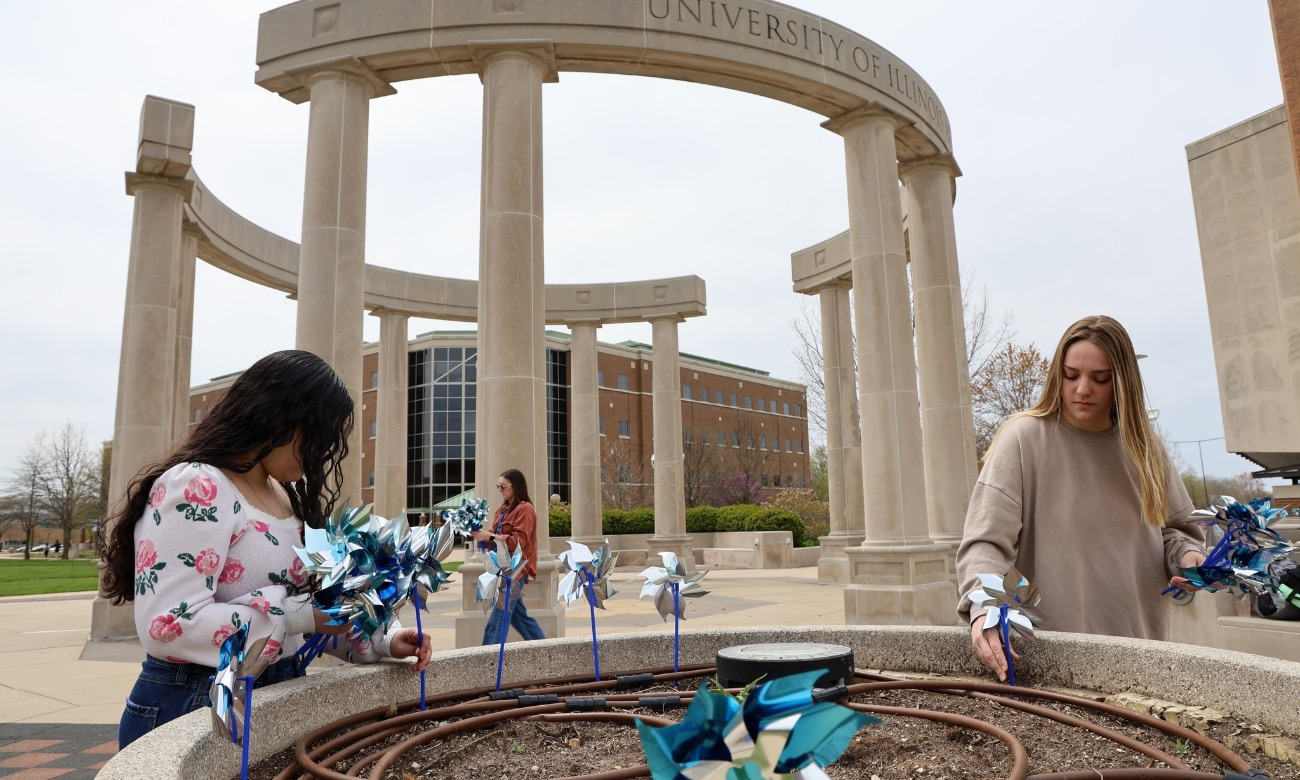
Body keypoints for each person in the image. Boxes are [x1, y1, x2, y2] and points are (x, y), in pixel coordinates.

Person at [100, 350, 432, 749]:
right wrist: (299, 616)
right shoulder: (197, 485)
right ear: (279, 418)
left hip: (280, 691)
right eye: (319, 435)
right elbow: (167, 626)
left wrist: (385, 639)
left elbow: (320, 608)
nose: (325, 451)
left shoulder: (294, 497)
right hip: (192, 698)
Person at [956, 315, 1207, 681]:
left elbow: (1173, 532)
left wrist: (1188, 558)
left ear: (1122, 382)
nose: (1083, 389)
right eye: (1071, 375)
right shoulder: (1023, 440)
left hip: (1144, 656)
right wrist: (984, 607)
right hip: (1051, 662)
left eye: (1100, 378)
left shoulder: (1146, 450)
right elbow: (985, 542)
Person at [472, 468, 546, 643]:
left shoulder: (525, 509)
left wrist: (489, 536)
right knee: (521, 620)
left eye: (503, 486)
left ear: (516, 486)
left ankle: (489, 663)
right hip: (501, 569)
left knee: (497, 622)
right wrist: (480, 536)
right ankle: (546, 650)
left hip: (514, 571)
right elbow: (494, 540)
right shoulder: (502, 510)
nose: (500, 490)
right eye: (498, 486)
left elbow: (518, 542)